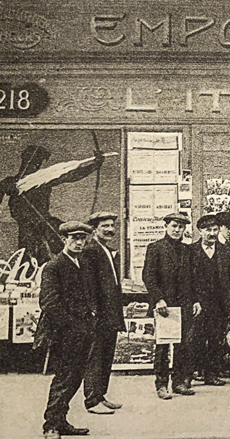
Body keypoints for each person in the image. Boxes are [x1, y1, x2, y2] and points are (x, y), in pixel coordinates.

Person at [36, 221, 97, 439]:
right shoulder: (54, 266)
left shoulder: (82, 264)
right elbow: (49, 303)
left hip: (82, 331)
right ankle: (50, 426)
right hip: (64, 334)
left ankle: (60, 421)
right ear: (64, 240)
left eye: (83, 239)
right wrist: (72, 327)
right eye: (74, 239)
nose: (80, 242)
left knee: (74, 378)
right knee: (64, 378)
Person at [0, 145, 104, 266]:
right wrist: (9, 188)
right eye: (31, 160)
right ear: (24, 159)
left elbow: (71, 175)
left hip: (44, 221)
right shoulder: (10, 182)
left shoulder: (43, 180)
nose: (34, 165)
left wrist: (95, 165)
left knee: (68, 241)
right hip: (26, 225)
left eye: (37, 162)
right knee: (28, 254)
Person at [142, 213, 199, 400]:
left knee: (184, 345)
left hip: (184, 304)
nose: (177, 230)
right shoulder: (155, 248)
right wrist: (158, 299)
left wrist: (196, 300)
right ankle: (161, 385)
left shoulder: (188, 250)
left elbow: (194, 279)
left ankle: (178, 383)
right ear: (166, 226)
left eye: (181, 227)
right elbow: (148, 277)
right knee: (163, 346)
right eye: (174, 226)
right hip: (164, 305)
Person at [82, 212, 124, 415]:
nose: (110, 230)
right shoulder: (91, 250)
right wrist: (94, 313)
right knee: (96, 358)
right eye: (104, 226)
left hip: (110, 314)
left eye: (111, 226)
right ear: (94, 230)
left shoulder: (106, 249)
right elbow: (89, 287)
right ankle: (91, 400)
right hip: (99, 316)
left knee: (106, 357)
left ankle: (100, 395)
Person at [189, 214, 230, 387]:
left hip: (219, 304)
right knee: (197, 340)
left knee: (217, 340)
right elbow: (187, 280)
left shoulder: (226, 251)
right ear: (200, 231)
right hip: (199, 305)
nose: (212, 233)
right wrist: (194, 301)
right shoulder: (191, 251)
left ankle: (212, 374)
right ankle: (196, 371)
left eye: (215, 229)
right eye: (208, 230)